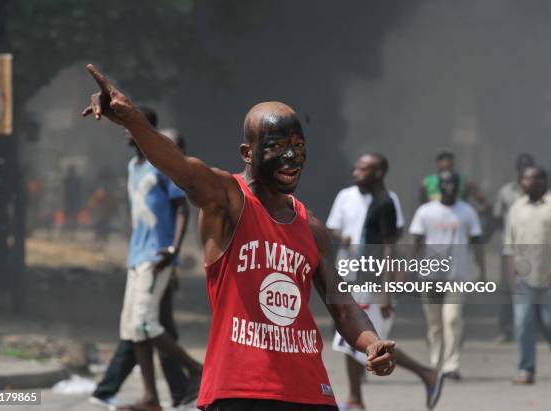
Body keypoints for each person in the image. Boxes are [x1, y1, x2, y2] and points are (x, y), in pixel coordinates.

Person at [82, 64, 397, 411]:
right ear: (248, 153)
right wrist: (133, 121)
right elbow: (184, 170)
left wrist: (371, 343)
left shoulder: (312, 228)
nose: (291, 156)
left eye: (298, 145)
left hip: (309, 393)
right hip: (240, 392)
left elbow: (343, 306)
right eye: (276, 145)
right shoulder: (228, 201)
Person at [89, 106, 200, 411]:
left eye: (129, 125)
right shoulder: (132, 167)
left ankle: (197, 370)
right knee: (131, 328)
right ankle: (151, 397)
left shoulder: (161, 166)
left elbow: (181, 208)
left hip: (157, 256)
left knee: (145, 324)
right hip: (136, 256)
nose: (125, 131)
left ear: (144, 129)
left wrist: (174, 250)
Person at [327, 153, 444, 410]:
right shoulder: (363, 199)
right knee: (352, 340)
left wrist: (385, 292)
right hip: (356, 279)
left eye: (363, 169)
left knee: (363, 339)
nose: (356, 172)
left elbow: (388, 249)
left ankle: (427, 374)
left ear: (378, 173)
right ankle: (356, 399)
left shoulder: (386, 203)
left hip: (372, 285)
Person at [410, 171, 485, 381]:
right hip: (430, 276)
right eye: (445, 184)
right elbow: (415, 242)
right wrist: (408, 270)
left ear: (458, 187)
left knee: (451, 319)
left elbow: (477, 243)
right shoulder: (425, 212)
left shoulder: (467, 212)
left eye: (453, 184)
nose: (449, 188)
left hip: (457, 276)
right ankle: (436, 363)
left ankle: (452, 365)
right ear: (438, 187)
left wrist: (482, 273)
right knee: (434, 323)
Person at [504, 166, 551, 385]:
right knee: (523, 323)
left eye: (531, 179)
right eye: (524, 179)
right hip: (524, 277)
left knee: (550, 323)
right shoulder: (517, 207)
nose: (526, 183)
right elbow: (510, 246)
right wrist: (510, 277)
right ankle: (526, 370)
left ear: (543, 181)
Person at [491, 153, 535, 343]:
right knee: (508, 289)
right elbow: (498, 217)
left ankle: (529, 329)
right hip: (510, 249)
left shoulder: (539, 193)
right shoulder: (506, 192)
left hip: (533, 249)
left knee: (534, 287)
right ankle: (505, 329)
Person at [419, 148, 487, 213]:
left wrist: (470, 215)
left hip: (457, 222)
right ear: (437, 162)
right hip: (435, 222)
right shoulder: (426, 183)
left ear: (453, 162)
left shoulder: (464, 182)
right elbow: (422, 206)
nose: (445, 162)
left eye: (449, 159)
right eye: (442, 159)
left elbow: (484, 204)